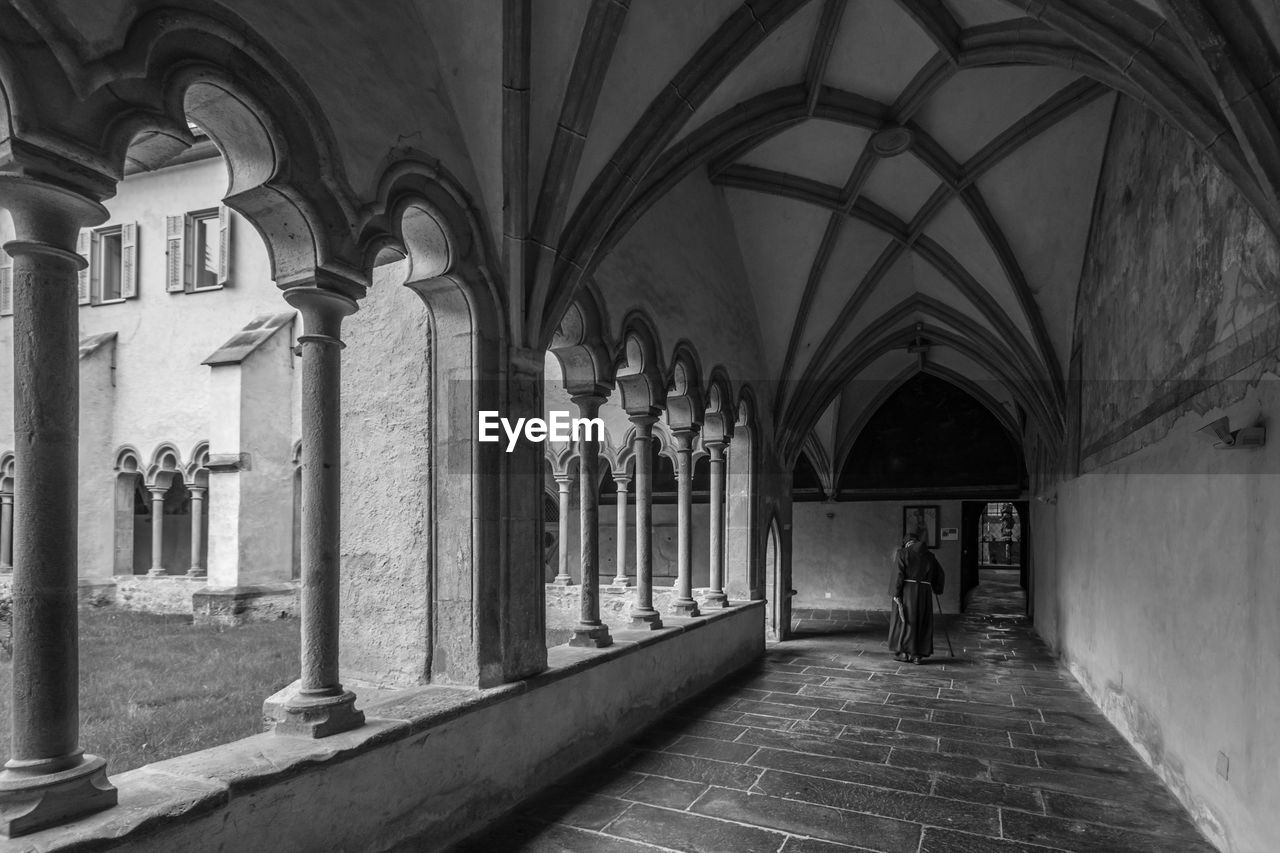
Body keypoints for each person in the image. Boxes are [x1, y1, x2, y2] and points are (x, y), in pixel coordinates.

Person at [888, 532, 945, 664]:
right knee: (922, 621)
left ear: (906, 543)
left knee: (905, 621)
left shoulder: (902, 553)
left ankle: (904, 654)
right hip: (924, 593)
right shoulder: (930, 555)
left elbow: (898, 574)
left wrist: (895, 593)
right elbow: (940, 573)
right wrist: (936, 588)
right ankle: (917, 655)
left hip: (907, 592)